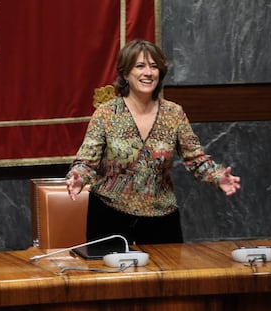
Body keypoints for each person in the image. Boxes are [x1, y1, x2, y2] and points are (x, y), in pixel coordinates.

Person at [66, 39, 240, 245]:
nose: (148, 73)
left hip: (162, 219)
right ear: (125, 73)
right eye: (140, 66)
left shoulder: (174, 113)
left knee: (165, 277)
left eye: (154, 66)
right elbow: (87, 161)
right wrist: (79, 178)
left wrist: (218, 176)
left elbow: (196, 159)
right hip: (108, 217)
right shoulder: (106, 114)